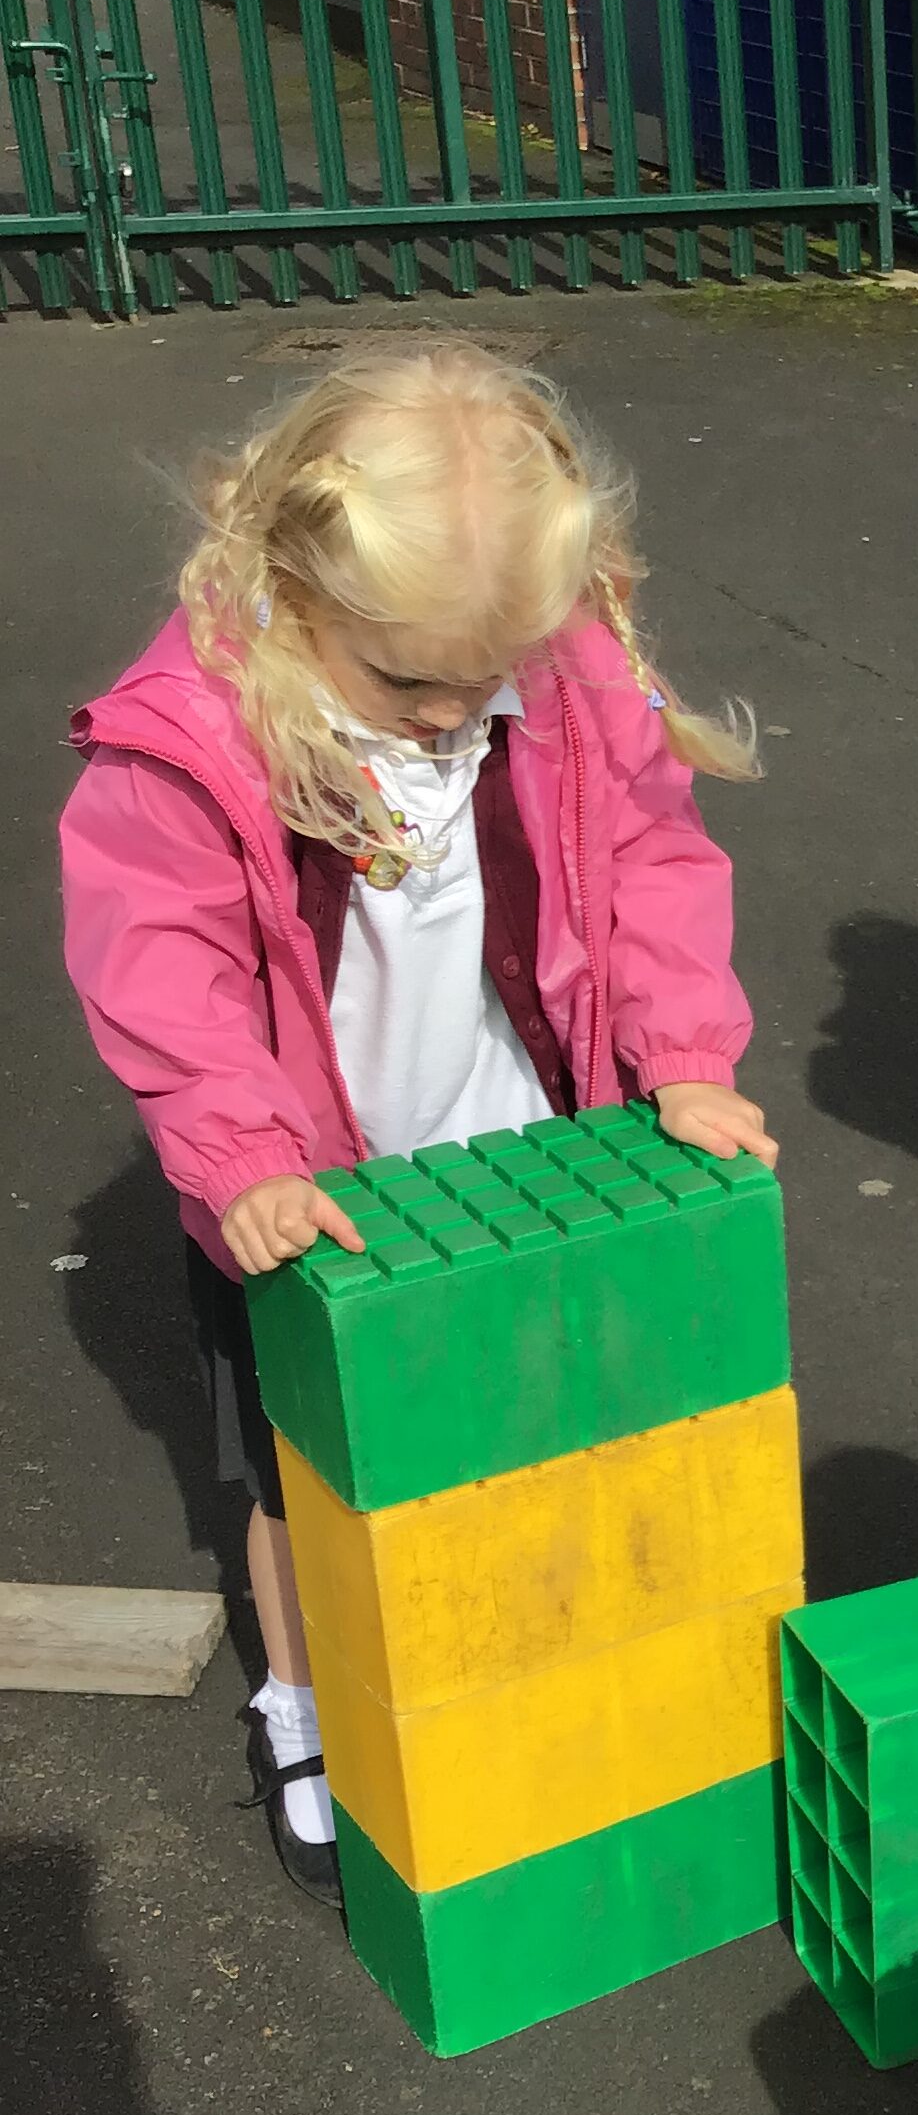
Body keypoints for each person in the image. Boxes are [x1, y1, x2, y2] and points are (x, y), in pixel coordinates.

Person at [60, 339, 775, 1906]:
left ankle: (498, 1659)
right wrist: (242, 1160)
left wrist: (681, 1056)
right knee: (302, 1476)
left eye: (486, 673)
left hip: (511, 1132)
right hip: (308, 1179)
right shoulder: (199, 728)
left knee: (526, 1419)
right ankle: (306, 1703)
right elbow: (160, 965)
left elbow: (654, 861)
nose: (455, 713)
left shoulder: (562, 666)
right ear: (292, 585)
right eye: (409, 685)